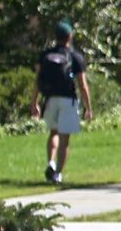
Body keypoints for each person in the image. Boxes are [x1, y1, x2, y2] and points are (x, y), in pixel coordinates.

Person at [32, 20, 91, 187]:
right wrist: (88, 107)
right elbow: (82, 85)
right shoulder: (75, 56)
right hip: (68, 100)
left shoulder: (45, 55)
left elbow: (37, 81)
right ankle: (58, 173)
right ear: (70, 36)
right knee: (65, 138)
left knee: (54, 132)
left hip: (50, 99)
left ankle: (50, 162)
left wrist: (34, 102)